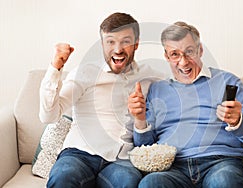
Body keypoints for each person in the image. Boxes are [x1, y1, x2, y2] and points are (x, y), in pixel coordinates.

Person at [128, 21, 243, 188]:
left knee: (224, 181)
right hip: (173, 167)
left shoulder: (228, 82)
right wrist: (140, 119)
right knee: (151, 183)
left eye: (189, 52)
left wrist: (238, 121)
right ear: (166, 56)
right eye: (175, 54)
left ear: (200, 50)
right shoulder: (157, 89)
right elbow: (145, 148)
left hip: (220, 162)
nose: (183, 62)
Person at [39, 12, 163, 188]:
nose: (118, 49)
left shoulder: (152, 76)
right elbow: (49, 117)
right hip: (79, 154)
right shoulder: (85, 72)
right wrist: (55, 68)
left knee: (128, 182)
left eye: (125, 41)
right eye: (110, 41)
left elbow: (181, 89)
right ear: (102, 44)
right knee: (63, 177)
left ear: (136, 44)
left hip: (122, 159)